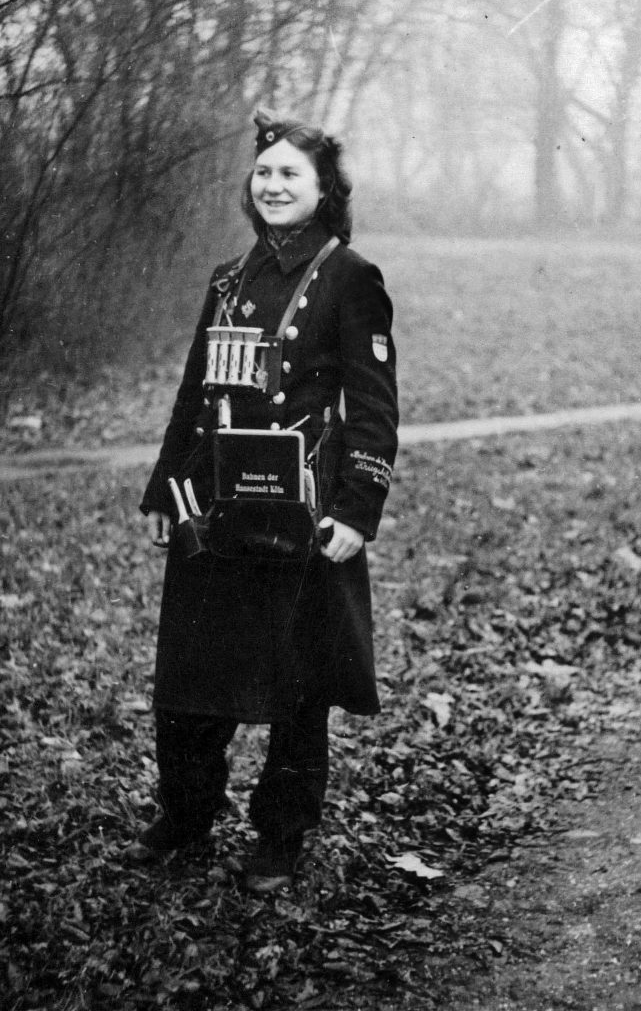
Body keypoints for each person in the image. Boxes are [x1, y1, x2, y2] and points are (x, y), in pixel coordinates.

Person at [130, 109, 398, 893]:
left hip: (303, 513)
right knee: (190, 677)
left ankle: (279, 839)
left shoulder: (352, 278)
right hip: (215, 512)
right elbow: (194, 392)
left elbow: (375, 409)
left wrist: (356, 510)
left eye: (290, 174)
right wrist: (163, 487)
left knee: (297, 685)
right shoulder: (225, 278)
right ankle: (183, 820)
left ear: (324, 191)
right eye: (264, 173)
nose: (272, 185)